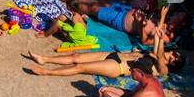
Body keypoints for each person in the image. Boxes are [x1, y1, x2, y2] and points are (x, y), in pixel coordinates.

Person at [25, 6, 185, 79]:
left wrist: (163, 20)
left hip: (119, 67)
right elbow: (158, 37)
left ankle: (46, 71)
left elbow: (158, 52)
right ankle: (45, 59)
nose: (171, 55)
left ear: (172, 65)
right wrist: (163, 16)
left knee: (80, 67)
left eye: (173, 58)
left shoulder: (163, 70)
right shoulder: (159, 54)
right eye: (174, 54)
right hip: (116, 54)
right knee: (76, 56)